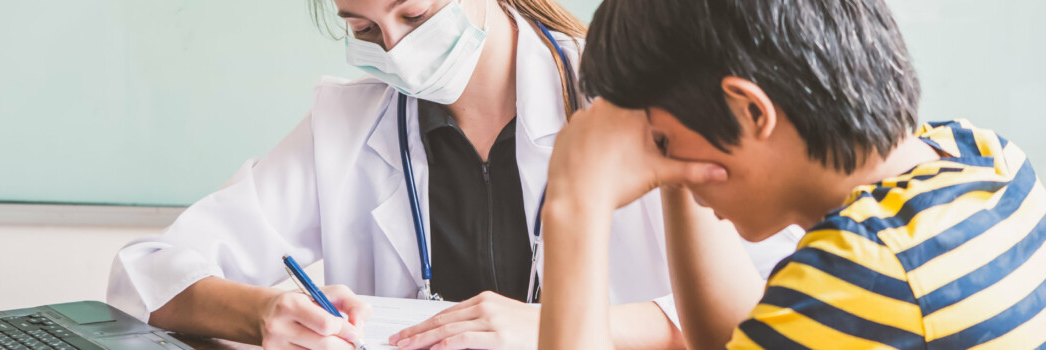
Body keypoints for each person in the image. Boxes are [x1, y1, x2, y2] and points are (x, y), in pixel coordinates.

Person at [107, 0, 801, 349]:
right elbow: (149, 270)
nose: (400, 50)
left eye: (416, 13)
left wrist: (546, 326)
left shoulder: (641, 97)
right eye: (367, 29)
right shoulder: (350, 123)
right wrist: (264, 312)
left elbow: (768, 308)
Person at [538, 0, 1046, 348]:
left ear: (753, 113)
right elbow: (740, 340)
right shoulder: (983, 156)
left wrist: (574, 202)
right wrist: (678, 170)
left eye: (663, 142)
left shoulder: (872, 272)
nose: (673, 167)